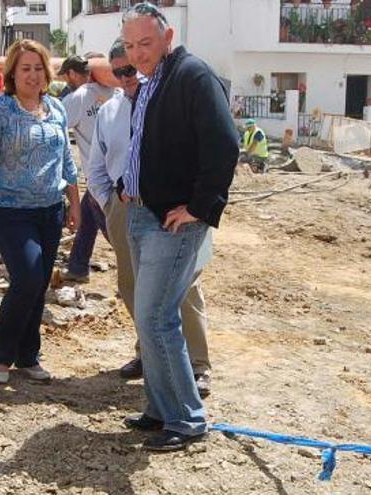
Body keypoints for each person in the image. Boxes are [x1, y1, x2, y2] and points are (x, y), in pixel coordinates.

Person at [117, 2, 238, 451]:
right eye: (130, 45)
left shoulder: (192, 75)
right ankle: (160, 410)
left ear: (168, 38)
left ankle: (187, 419)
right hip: (143, 212)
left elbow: (224, 143)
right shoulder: (155, 80)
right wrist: (126, 184)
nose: (137, 53)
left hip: (172, 222)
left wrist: (200, 207)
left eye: (145, 43)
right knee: (148, 319)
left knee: (157, 317)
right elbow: (148, 144)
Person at [87, 39, 214, 397]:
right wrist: (110, 204)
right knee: (134, 287)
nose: (127, 77)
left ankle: (198, 366)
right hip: (124, 210)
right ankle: (148, 354)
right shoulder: (108, 112)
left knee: (184, 288)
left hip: (170, 209)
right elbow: (97, 165)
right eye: (119, 72)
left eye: (131, 68)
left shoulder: (167, 99)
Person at [0, 39, 81, 385]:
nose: (33, 75)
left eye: (38, 68)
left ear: (47, 72)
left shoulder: (57, 108)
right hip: (10, 211)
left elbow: (66, 159)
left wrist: (75, 203)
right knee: (29, 277)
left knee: (39, 285)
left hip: (50, 210)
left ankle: (28, 356)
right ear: (12, 74)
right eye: (25, 68)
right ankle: (1, 356)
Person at [57, 54, 116, 283]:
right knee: (88, 218)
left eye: (66, 76)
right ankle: (78, 267)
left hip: (99, 175)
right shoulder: (113, 91)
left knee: (113, 230)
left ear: (72, 74)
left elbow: (55, 123)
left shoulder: (78, 98)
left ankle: (137, 272)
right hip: (114, 172)